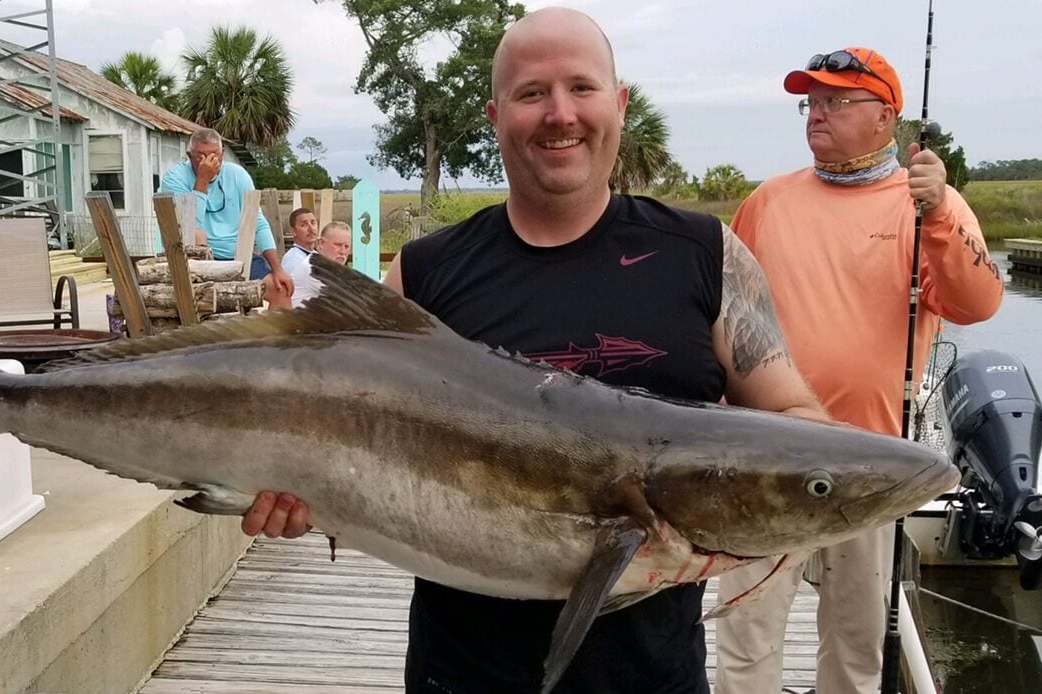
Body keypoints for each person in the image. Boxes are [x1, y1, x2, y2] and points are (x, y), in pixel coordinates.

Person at [240, 8, 830, 692]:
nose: (560, 114)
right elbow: (322, 414)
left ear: (619, 103)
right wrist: (298, 483)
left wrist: (779, 510)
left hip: (653, 677)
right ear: (496, 117)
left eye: (581, 87)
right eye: (531, 93)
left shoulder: (704, 255)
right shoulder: (426, 273)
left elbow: (797, 421)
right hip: (460, 676)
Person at [714, 47, 1003, 694]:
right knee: (746, 634)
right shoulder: (769, 201)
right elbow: (726, 309)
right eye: (811, 103)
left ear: (885, 117)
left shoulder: (929, 204)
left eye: (836, 101)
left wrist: (942, 212)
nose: (817, 114)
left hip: (872, 466)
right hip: (765, 458)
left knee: (857, 640)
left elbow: (977, 303)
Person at [159, 127, 293, 296]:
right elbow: (190, 227)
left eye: (213, 154)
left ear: (222, 154)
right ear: (189, 155)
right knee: (198, 235)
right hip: (196, 261)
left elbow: (257, 222)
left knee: (280, 290)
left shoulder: (238, 175)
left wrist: (278, 269)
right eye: (200, 155)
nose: (208, 160)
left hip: (237, 257)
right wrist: (202, 180)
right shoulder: (175, 178)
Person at [265, 220, 353, 310]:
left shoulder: (330, 269)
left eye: (346, 246)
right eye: (338, 245)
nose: (343, 251)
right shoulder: (314, 267)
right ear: (321, 243)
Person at [280, 207, 319, 274]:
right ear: (293, 231)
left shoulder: (316, 254)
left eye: (313, 223)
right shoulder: (293, 260)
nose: (311, 229)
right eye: (304, 225)